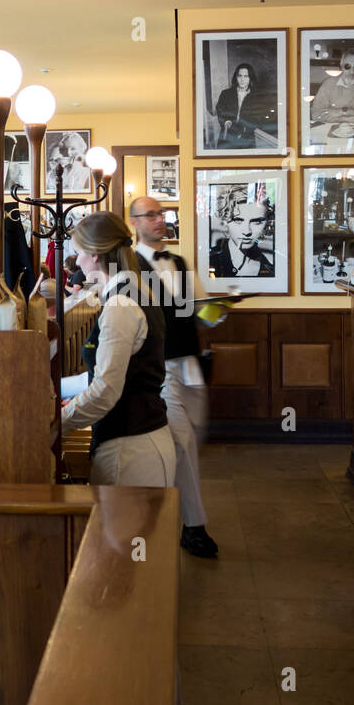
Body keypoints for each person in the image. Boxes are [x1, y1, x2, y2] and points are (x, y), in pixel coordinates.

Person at [130, 197, 219, 557]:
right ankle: (194, 526)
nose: (158, 220)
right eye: (150, 215)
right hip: (160, 369)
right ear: (134, 222)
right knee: (182, 445)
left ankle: (169, 514)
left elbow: (202, 311)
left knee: (192, 442)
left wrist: (220, 311)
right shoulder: (130, 268)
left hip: (191, 365)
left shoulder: (180, 263)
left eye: (161, 213)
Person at [60, 211, 176, 487]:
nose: (77, 260)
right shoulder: (133, 291)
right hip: (140, 440)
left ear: (95, 254)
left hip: (130, 448)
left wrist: (53, 424)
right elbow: (112, 373)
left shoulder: (120, 305)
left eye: (78, 252)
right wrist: (58, 387)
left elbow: (105, 392)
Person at [208, 186, 274, 278]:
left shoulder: (271, 268)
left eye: (256, 221)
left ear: (266, 222)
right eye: (238, 220)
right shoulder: (208, 263)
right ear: (225, 221)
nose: (247, 231)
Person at [311, 48, 354, 129]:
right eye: (347, 66)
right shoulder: (328, 83)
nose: (351, 72)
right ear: (341, 64)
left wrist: (346, 112)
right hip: (333, 130)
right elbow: (316, 113)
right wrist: (342, 118)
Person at [214, 62, 275, 148]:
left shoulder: (257, 97)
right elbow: (220, 110)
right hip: (228, 135)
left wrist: (247, 127)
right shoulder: (226, 93)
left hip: (247, 138)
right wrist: (226, 121)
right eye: (240, 76)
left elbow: (260, 116)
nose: (242, 79)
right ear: (236, 77)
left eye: (246, 76)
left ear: (250, 78)